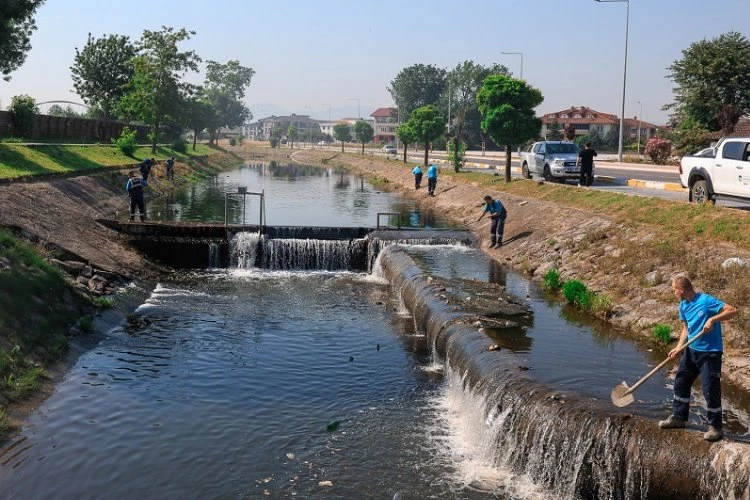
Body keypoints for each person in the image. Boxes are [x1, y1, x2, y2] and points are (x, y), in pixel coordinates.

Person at [658, 275, 737, 442]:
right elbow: (686, 328)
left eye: (674, 291)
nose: (673, 294)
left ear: (681, 290)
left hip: (710, 353)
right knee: (681, 381)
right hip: (691, 350)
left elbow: (732, 310)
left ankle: (715, 428)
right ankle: (678, 418)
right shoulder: (683, 305)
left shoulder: (706, 301)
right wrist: (679, 347)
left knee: (709, 389)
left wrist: (712, 319)